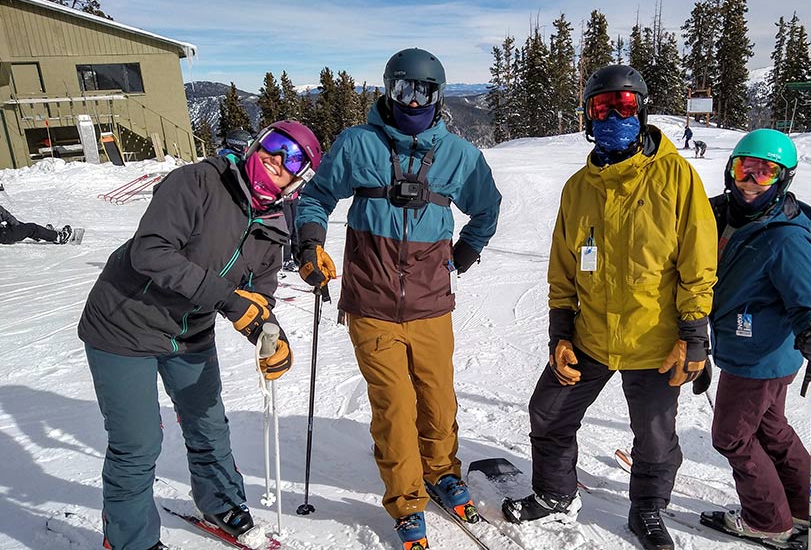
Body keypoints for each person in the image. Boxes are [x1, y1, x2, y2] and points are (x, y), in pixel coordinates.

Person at [77, 120, 322, 550]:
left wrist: (270, 334)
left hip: (189, 332)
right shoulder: (196, 182)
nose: (279, 160)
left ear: (297, 181)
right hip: (123, 324)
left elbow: (257, 297)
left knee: (208, 426)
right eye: (275, 145)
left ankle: (221, 503)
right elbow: (150, 252)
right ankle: (130, 541)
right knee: (138, 443)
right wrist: (229, 300)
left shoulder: (274, 228)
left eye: (293, 160)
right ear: (258, 143)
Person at [501, 65, 718, 550]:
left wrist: (694, 335)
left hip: (656, 341)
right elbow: (563, 268)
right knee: (549, 413)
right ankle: (556, 494)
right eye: (602, 107)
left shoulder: (676, 177)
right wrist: (560, 334)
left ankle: (648, 508)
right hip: (591, 335)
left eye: (623, 105)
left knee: (655, 437)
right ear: (587, 116)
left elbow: (698, 264)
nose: (614, 115)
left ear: (641, 110)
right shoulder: (579, 188)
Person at [294, 48, 502, 550]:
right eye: (403, 90)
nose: (414, 101)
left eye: (424, 92)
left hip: (431, 303)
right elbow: (315, 196)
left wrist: (465, 252)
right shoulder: (358, 145)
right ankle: (407, 500)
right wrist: (310, 242)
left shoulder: (459, 155)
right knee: (394, 405)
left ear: (439, 96)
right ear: (388, 91)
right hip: (370, 302)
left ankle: (442, 472)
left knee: (437, 398)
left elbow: (487, 208)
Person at [701, 129, 811, 542]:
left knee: (732, 436)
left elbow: (806, 296)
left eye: (764, 174)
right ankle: (809, 510)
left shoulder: (784, 235)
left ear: (782, 179)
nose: (750, 182)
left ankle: (767, 519)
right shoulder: (723, 214)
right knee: (771, 427)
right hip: (755, 350)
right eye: (745, 169)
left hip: (759, 354)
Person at [0, 202, 73, 244]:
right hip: (4, 235)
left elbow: (6, 216)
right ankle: (58, 237)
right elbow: (5, 215)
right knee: (32, 228)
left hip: (3, 233)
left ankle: (41, 234)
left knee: (21, 226)